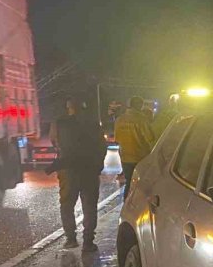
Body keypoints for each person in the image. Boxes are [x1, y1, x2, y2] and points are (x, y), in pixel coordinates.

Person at [50, 98, 107, 251]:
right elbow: (102, 146)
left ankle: (71, 238)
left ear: (68, 108)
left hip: (68, 171)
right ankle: (88, 241)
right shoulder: (93, 123)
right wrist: (98, 166)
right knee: (89, 205)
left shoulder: (59, 123)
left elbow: (54, 142)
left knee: (67, 204)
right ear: (83, 108)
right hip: (89, 170)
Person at [114, 96, 156, 201]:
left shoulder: (120, 120)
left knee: (129, 182)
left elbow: (117, 138)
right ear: (139, 105)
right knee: (141, 184)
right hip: (140, 157)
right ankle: (139, 207)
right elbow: (150, 137)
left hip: (125, 157)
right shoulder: (141, 120)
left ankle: (126, 204)